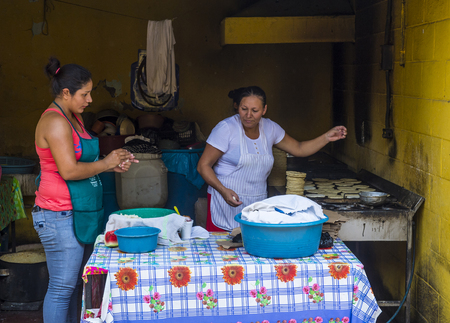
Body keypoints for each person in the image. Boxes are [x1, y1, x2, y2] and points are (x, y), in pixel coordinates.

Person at [32, 57, 138, 323]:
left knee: (81, 284)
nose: (90, 100)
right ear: (66, 93)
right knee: (62, 288)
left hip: (80, 211)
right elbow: (68, 170)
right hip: (58, 214)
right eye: (85, 93)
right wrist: (105, 162)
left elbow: (83, 160)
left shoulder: (73, 118)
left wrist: (110, 165)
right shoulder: (55, 122)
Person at [197, 86, 347, 232]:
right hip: (225, 204)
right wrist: (223, 190)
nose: (248, 115)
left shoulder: (270, 128)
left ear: (264, 110)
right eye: (244, 109)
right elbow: (203, 165)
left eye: (255, 111)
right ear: (238, 107)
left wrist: (326, 137)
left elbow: (299, 148)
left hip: (257, 207)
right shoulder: (226, 128)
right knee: (225, 253)